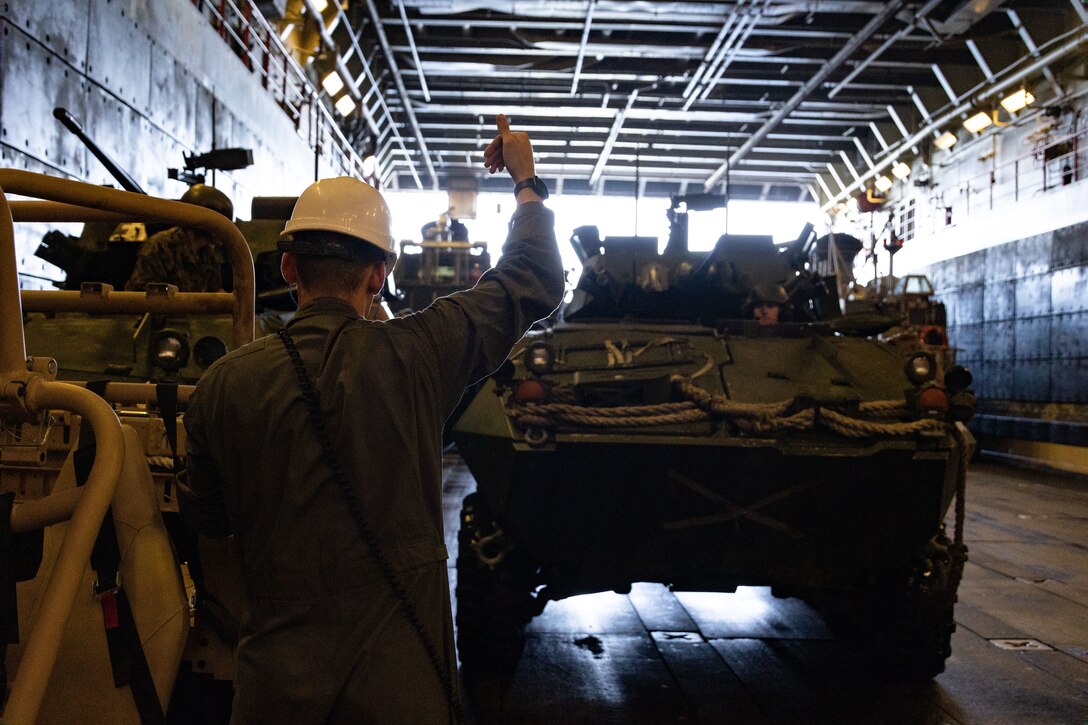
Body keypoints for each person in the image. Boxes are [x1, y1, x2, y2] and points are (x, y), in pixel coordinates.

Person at [178, 114, 563, 723]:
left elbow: (206, 515)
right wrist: (526, 181)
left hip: (276, 685)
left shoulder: (222, 385)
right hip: (400, 680)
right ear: (380, 273)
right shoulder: (422, 352)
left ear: (287, 268)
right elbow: (533, 276)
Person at [125, 184, 234, 292]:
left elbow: (216, 290)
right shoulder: (161, 246)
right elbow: (140, 292)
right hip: (162, 308)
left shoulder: (208, 252)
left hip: (195, 308)